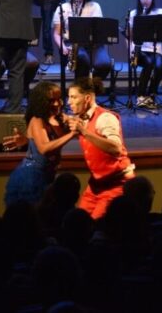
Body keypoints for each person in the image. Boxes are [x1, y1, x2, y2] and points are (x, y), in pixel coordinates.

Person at [66, 77, 135, 220]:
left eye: (73, 97)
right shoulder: (82, 117)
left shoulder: (105, 118)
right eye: (69, 97)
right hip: (96, 185)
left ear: (87, 98)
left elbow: (116, 148)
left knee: (96, 225)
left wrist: (84, 132)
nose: (69, 102)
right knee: (78, 221)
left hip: (116, 184)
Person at [3, 82, 76, 207]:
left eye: (59, 99)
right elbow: (43, 148)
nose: (57, 103)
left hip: (49, 175)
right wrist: (71, 134)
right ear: (42, 102)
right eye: (52, 100)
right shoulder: (37, 120)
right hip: (31, 177)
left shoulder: (59, 118)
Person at [53, 0, 111, 79]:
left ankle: (90, 89)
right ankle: (81, 91)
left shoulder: (95, 6)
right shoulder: (62, 8)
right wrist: (62, 46)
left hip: (93, 45)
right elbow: (57, 33)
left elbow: (99, 30)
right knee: (82, 59)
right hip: (72, 44)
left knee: (105, 64)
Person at [128, 0, 162, 109]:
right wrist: (131, 51)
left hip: (155, 49)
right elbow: (129, 36)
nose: (145, 0)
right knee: (148, 63)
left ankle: (151, 95)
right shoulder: (134, 14)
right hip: (140, 49)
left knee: (159, 66)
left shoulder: (160, 12)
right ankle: (140, 96)